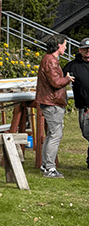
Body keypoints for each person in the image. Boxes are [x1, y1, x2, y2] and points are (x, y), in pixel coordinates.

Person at [35, 34, 74, 178]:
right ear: (58, 45)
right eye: (64, 44)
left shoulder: (50, 59)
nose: (65, 47)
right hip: (52, 103)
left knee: (52, 134)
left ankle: (45, 166)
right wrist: (67, 79)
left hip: (51, 102)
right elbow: (56, 82)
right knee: (55, 135)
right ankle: (50, 168)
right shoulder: (50, 60)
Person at [64, 38, 89, 169]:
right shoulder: (72, 66)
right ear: (80, 50)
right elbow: (59, 80)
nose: (88, 52)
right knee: (86, 133)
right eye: (85, 49)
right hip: (83, 107)